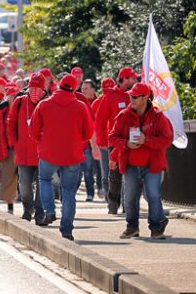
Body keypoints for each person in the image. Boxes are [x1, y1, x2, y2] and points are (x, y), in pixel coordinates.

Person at [29, 74, 93, 241]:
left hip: (48, 151)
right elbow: (88, 133)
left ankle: (49, 210)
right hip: (72, 153)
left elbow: (33, 130)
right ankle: (66, 229)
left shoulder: (44, 104)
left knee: (44, 180)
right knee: (69, 192)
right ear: (74, 88)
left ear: (59, 85)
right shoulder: (80, 106)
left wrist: (42, 140)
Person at [108, 82, 173, 239]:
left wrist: (146, 140)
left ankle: (156, 228)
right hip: (130, 164)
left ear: (145, 98)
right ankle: (132, 227)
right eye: (130, 96)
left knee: (153, 195)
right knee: (129, 197)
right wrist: (125, 144)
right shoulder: (123, 116)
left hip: (153, 165)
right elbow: (112, 137)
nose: (131, 98)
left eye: (135, 96)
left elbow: (167, 139)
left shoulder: (159, 117)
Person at [93, 69, 134, 213]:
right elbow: (101, 119)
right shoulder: (110, 96)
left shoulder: (135, 95)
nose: (134, 81)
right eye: (131, 79)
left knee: (130, 174)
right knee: (114, 176)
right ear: (123, 79)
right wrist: (101, 140)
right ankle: (112, 202)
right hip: (115, 142)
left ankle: (127, 205)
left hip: (133, 142)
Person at [8, 74, 47, 223]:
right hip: (22, 153)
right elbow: (11, 123)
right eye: (32, 88)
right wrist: (14, 143)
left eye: (38, 88)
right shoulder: (19, 103)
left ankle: (39, 213)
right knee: (24, 185)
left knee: (42, 185)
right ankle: (27, 208)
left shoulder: (48, 103)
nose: (35, 91)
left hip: (43, 154)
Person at [0, 83, 20, 213]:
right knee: (7, 179)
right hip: (6, 149)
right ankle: (10, 206)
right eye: (11, 96)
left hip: (22, 149)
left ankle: (29, 205)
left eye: (15, 96)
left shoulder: (25, 110)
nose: (12, 99)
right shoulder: (1, 113)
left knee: (24, 179)